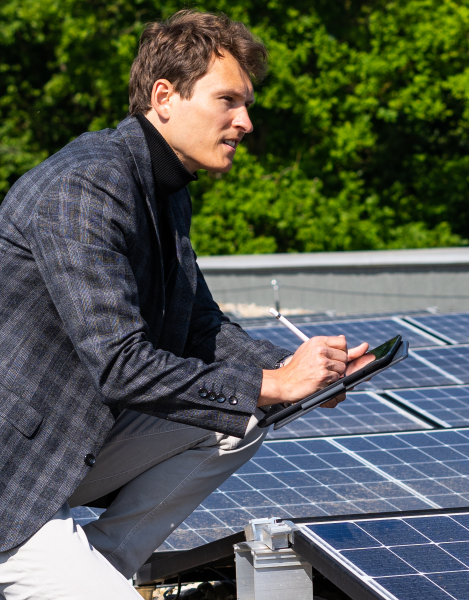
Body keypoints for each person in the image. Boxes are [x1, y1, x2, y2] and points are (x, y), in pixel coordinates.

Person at [0, 10, 369, 599]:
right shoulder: (84, 188)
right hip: (12, 484)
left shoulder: (161, 187)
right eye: (228, 101)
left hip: (62, 449)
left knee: (239, 415)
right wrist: (273, 384)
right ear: (164, 96)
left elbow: (200, 327)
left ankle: (101, 569)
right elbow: (121, 365)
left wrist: (304, 371)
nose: (246, 122)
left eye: (247, 104)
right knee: (248, 397)